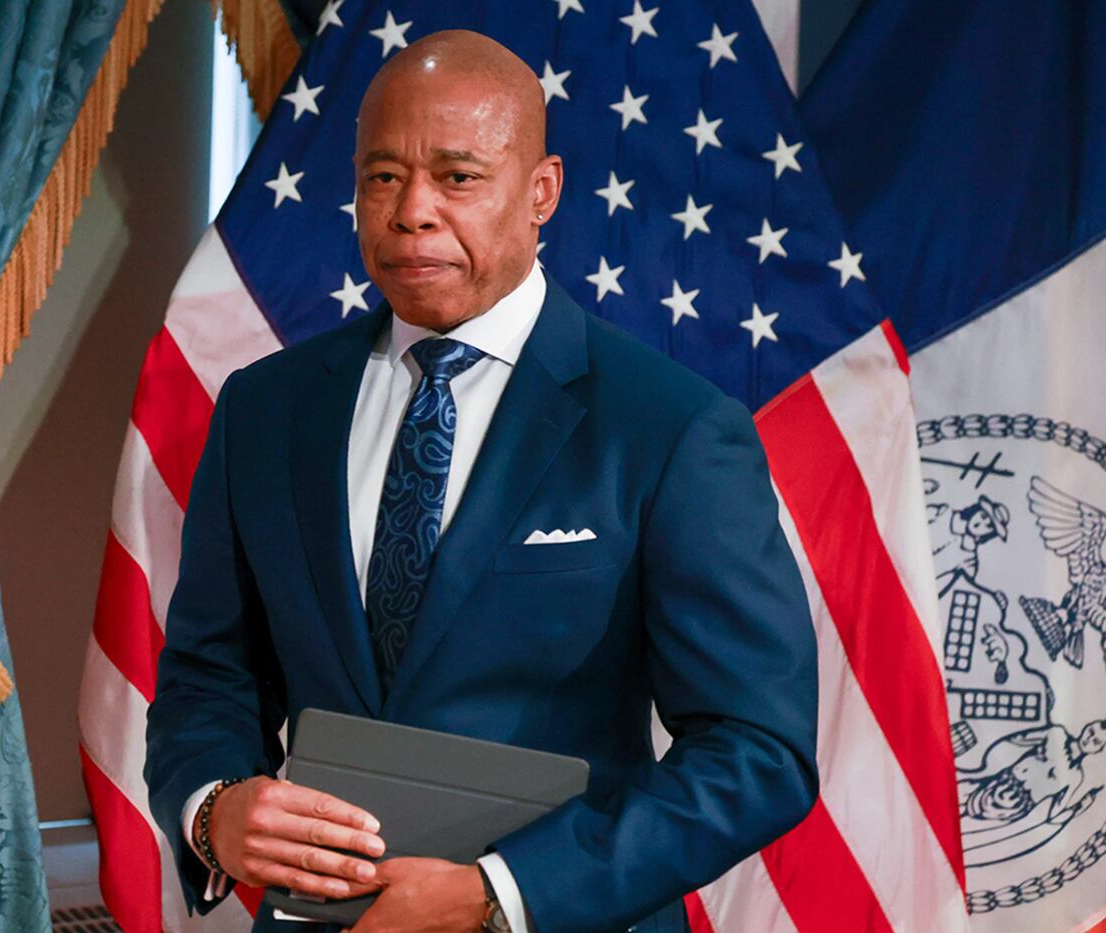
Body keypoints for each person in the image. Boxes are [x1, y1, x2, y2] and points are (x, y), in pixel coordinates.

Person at [145, 30, 817, 933]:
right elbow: (207, 672)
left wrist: (500, 893)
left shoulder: (671, 429)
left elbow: (757, 750)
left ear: (541, 193)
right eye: (382, 176)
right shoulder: (265, 410)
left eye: (457, 177)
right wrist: (214, 807)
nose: (412, 211)